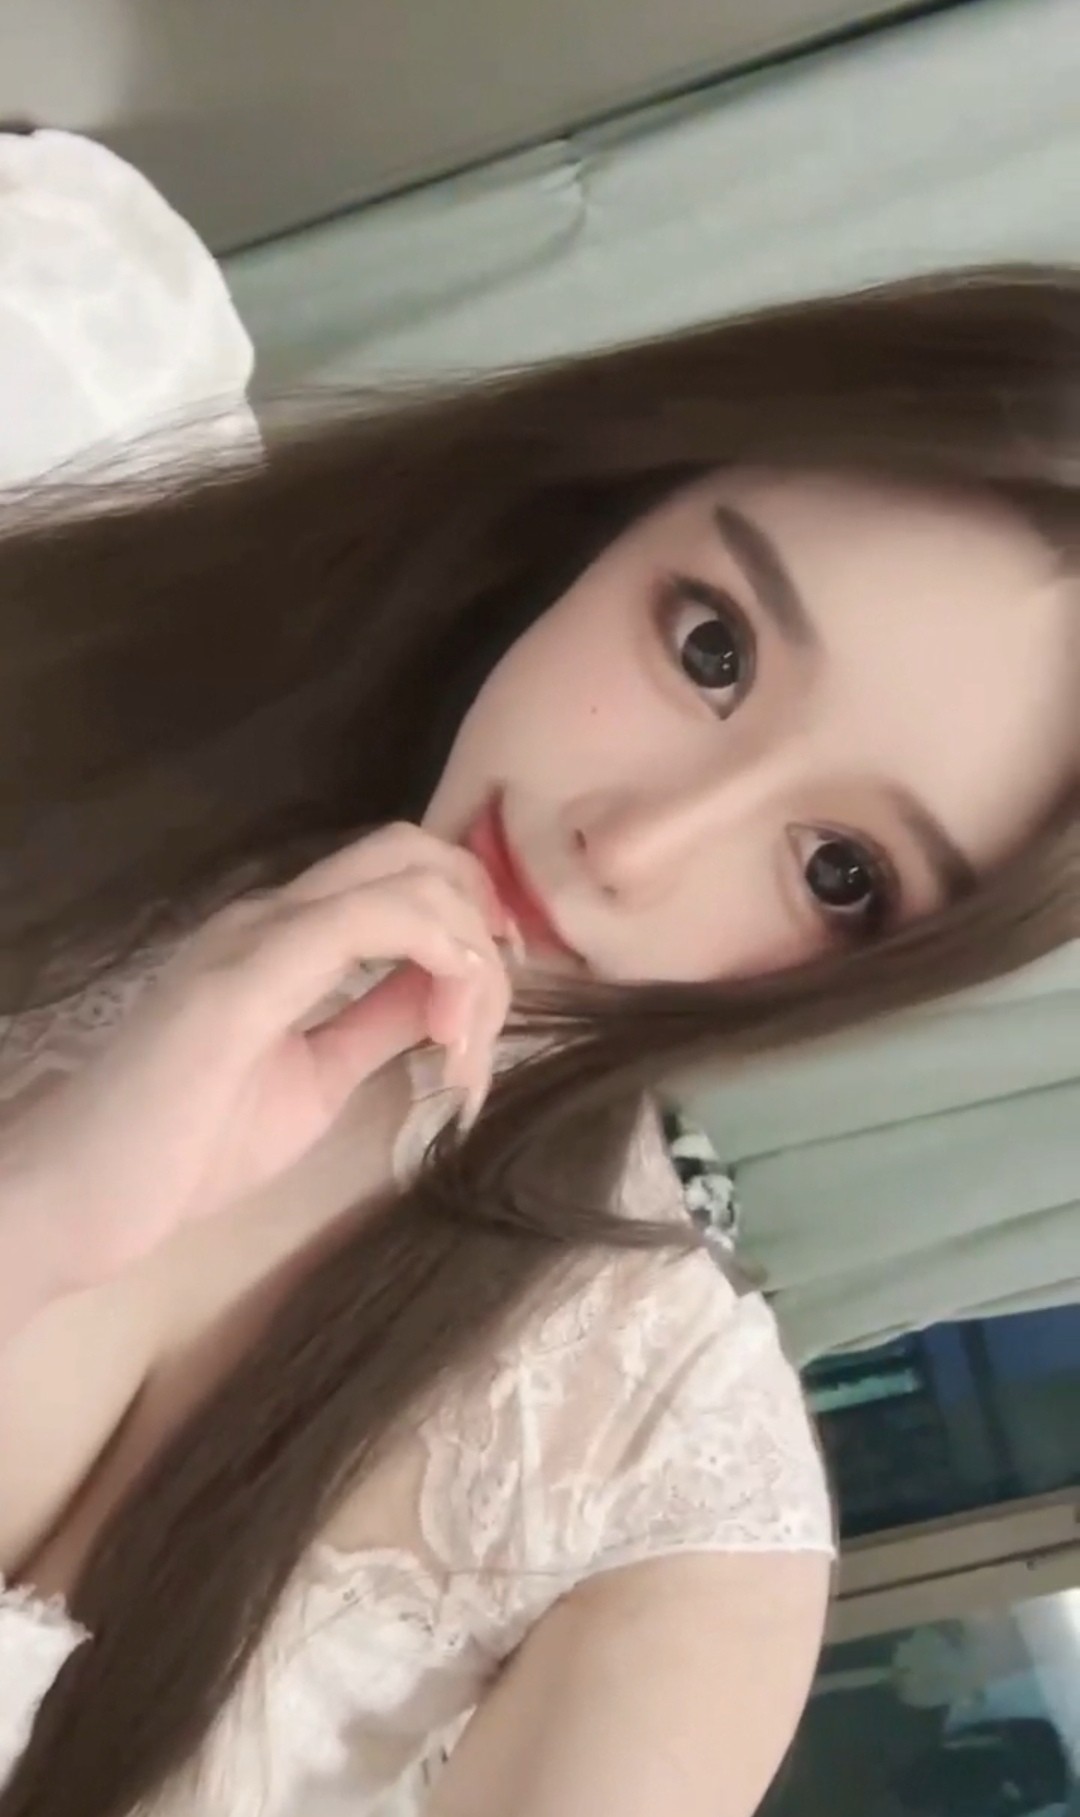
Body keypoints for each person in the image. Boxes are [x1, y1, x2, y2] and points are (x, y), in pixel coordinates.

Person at [0, 263, 1076, 1817]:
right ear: (624, 508)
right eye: (711, 649)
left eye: (841, 872)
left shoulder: (671, 1511)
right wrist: (43, 1207)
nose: (632, 847)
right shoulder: (90, 698)